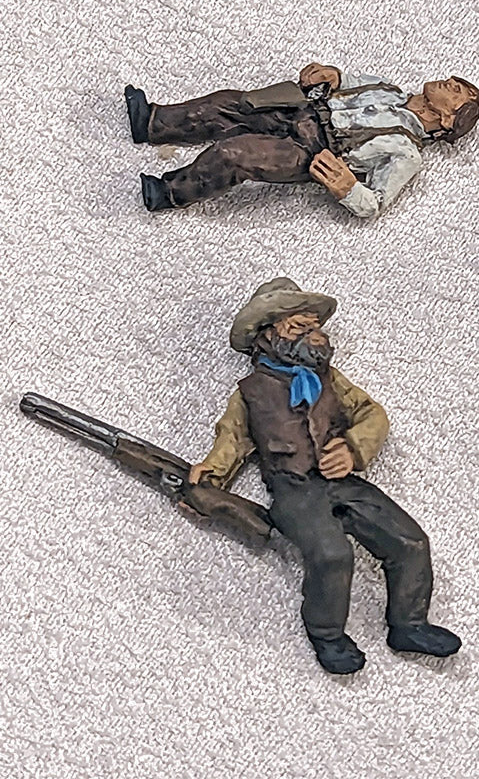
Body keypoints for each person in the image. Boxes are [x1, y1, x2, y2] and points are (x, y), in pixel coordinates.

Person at [188, 277, 461, 673]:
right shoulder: (251, 393)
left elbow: (372, 414)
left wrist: (352, 448)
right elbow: (231, 438)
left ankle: (409, 623)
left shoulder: (329, 380)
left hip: (341, 481)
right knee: (331, 555)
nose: (316, 335)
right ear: (268, 334)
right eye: (301, 327)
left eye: (316, 327)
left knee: (409, 540)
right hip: (293, 489)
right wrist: (210, 475)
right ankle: (328, 635)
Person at [124, 63, 479, 217]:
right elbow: (348, 82)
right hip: (301, 110)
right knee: (231, 103)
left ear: (447, 120)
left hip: (309, 152)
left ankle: (168, 193)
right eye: (454, 83)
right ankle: (154, 122)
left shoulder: (406, 153)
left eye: (456, 92)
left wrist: (347, 187)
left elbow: (374, 203)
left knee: (235, 155)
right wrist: (332, 75)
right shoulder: (389, 90)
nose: (449, 83)